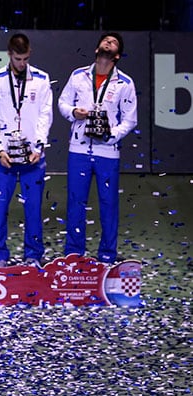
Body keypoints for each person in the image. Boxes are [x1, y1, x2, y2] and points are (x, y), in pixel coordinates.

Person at [58, 32, 137, 264]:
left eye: (113, 42)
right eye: (105, 40)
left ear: (117, 55)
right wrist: (74, 112)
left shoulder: (125, 83)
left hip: (107, 152)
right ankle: (74, 254)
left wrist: (111, 135)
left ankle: (107, 256)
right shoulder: (78, 75)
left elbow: (130, 120)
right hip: (79, 149)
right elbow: (62, 102)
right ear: (96, 50)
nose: (107, 43)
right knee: (75, 202)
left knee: (108, 204)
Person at [0, 33, 53, 267]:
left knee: (33, 208)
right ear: (9, 55)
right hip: (4, 158)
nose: (21, 64)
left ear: (29, 53)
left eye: (24, 58)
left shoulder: (42, 79)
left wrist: (39, 146)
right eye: (17, 59)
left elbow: (45, 115)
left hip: (33, 157)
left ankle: (33, 255)